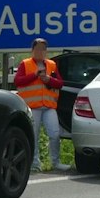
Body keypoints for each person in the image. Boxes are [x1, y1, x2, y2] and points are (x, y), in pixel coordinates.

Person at [14, 38, 65, 172]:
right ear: (32, 50)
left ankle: (56, 162)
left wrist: (49, 80)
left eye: (43, 49)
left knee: (54, 134)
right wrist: (34, 75)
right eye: (37, 49)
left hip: (49, 106)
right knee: (34, 136)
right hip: (32, 106)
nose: (40, 52)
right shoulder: (25, 64)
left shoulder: (52, 64)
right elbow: (18, 81)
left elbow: (60, 83)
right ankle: (34, 164)